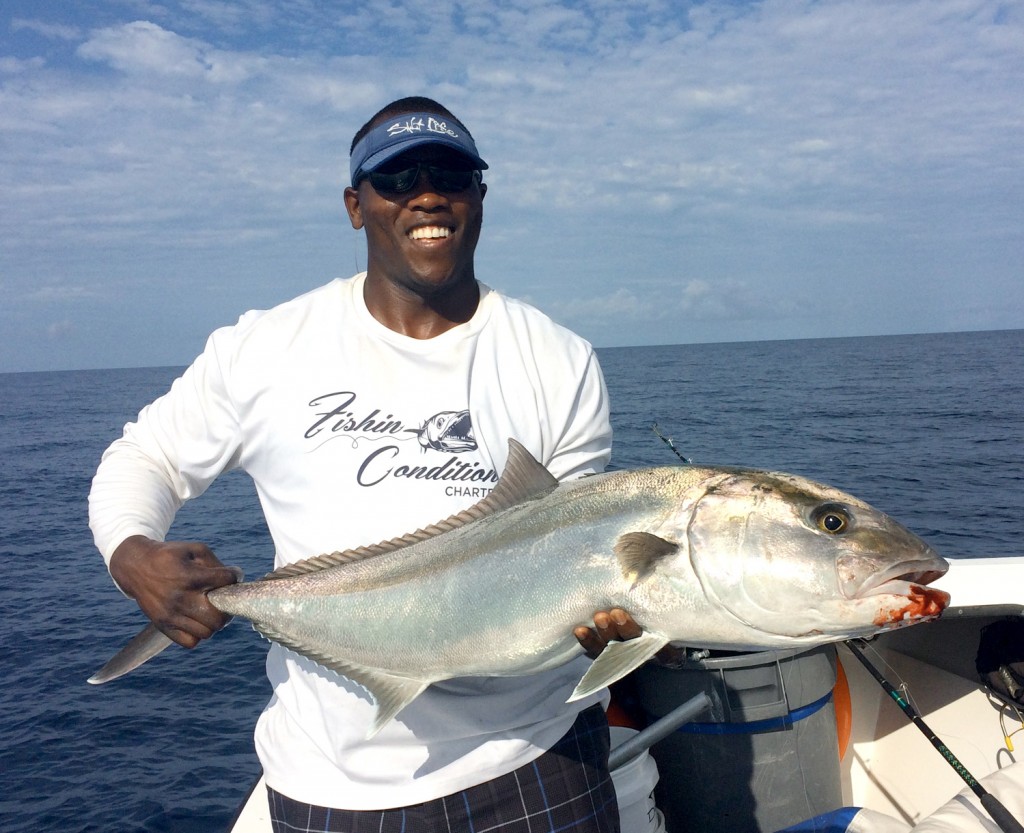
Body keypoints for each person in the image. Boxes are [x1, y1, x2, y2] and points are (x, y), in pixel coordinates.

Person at [89, 96, 640, 833]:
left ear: (480, 195)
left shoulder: (558, 358)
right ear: (357, 205)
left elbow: (574, 551)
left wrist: (604, 615)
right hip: (331, 782)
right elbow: (144, 457)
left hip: (535, 757)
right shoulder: (267, 347)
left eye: (450, 174)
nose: (427, 195)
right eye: (396, 178)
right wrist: (133, 554)